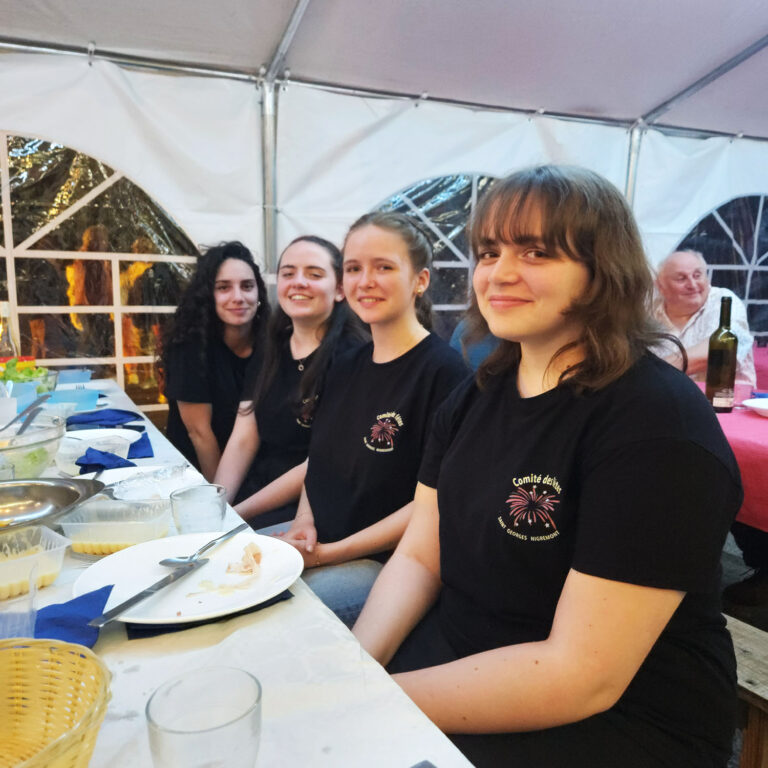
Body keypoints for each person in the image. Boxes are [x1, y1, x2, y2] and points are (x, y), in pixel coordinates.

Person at [353, 166, 741, 768]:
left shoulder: (657, 425)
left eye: (536, 252)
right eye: (489, 251)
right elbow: (420, 556)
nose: (500, 273)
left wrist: (360, 702)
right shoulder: (474, 397)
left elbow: (580, 676)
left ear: (601, 271)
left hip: (620, 721)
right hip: (460, 657)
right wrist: (355, 669)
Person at [282, 212, 468, 626]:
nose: (365, 281)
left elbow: (430, 508)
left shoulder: (445, 375)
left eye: (383, 267)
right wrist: (303, 523)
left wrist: (327, 555)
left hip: (386, 564)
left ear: (420, 280)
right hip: (316, 543)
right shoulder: (345, 363)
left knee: (260, 615)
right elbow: (318, 464)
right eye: (353, 269)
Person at [214, 236, 365, 528]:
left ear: (339, 290)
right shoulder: (270, 345)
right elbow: (243, 437)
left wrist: (235, 515)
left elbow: (318, 464)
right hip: (256, 493)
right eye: (288, 273)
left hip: (311, 510)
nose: (298, 282)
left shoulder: (353, 357)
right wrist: (217, 504)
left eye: (314, 274)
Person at [161, 242, 269, 480]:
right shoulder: (189, 346)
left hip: (253, 468)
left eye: (247, 286)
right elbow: (200, 434)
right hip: (196, 474)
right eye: (223, 287)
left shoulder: (271, 343)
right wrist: (220, 496)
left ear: (259, 293)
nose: (238, 297)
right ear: (208, 295)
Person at [654, 249, 756, 386]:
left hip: (725, 397)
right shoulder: (648, 312)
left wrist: (653, 372)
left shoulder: (724, 301)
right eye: (681, 278)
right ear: (660, 286)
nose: (692, 284)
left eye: (697, 276)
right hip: (664, 396)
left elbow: (719, 350)